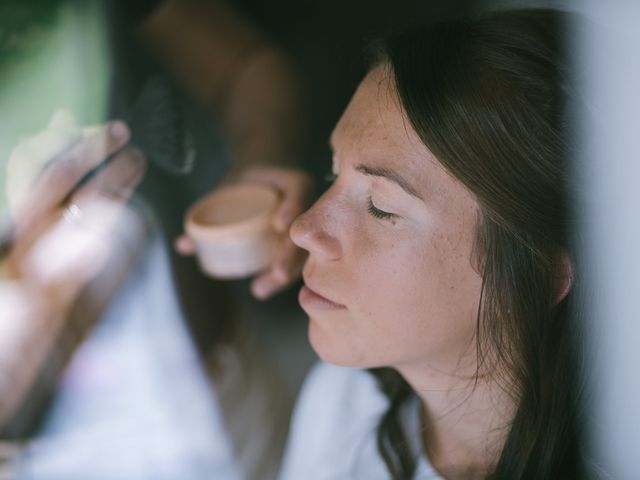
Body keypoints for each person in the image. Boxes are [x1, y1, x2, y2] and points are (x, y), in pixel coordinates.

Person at [281, 8, 588, 479]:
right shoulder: (343, 405)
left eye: (381, 206)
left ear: (539, 274)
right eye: (332, 170)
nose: (303, 228)